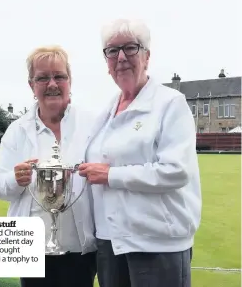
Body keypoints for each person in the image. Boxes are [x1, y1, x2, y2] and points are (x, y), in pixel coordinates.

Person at [78, 19, 202, 287]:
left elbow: (176, 170)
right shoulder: (106, 112)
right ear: (107, 63)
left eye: (130, 48)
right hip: (110, 243)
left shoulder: (170, 103)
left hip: (156, 243)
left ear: (147, 56)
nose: (121, 57)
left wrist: (111, 175)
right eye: (112, 51)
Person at [0, 46, 97, 287]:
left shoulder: (92, 124)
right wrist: (15, 179)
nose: (52, 84)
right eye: (42, 77)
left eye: (59, 76)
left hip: (80, 251)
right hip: (31, 252)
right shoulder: (17, 131)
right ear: (31, 85)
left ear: (70, 81)